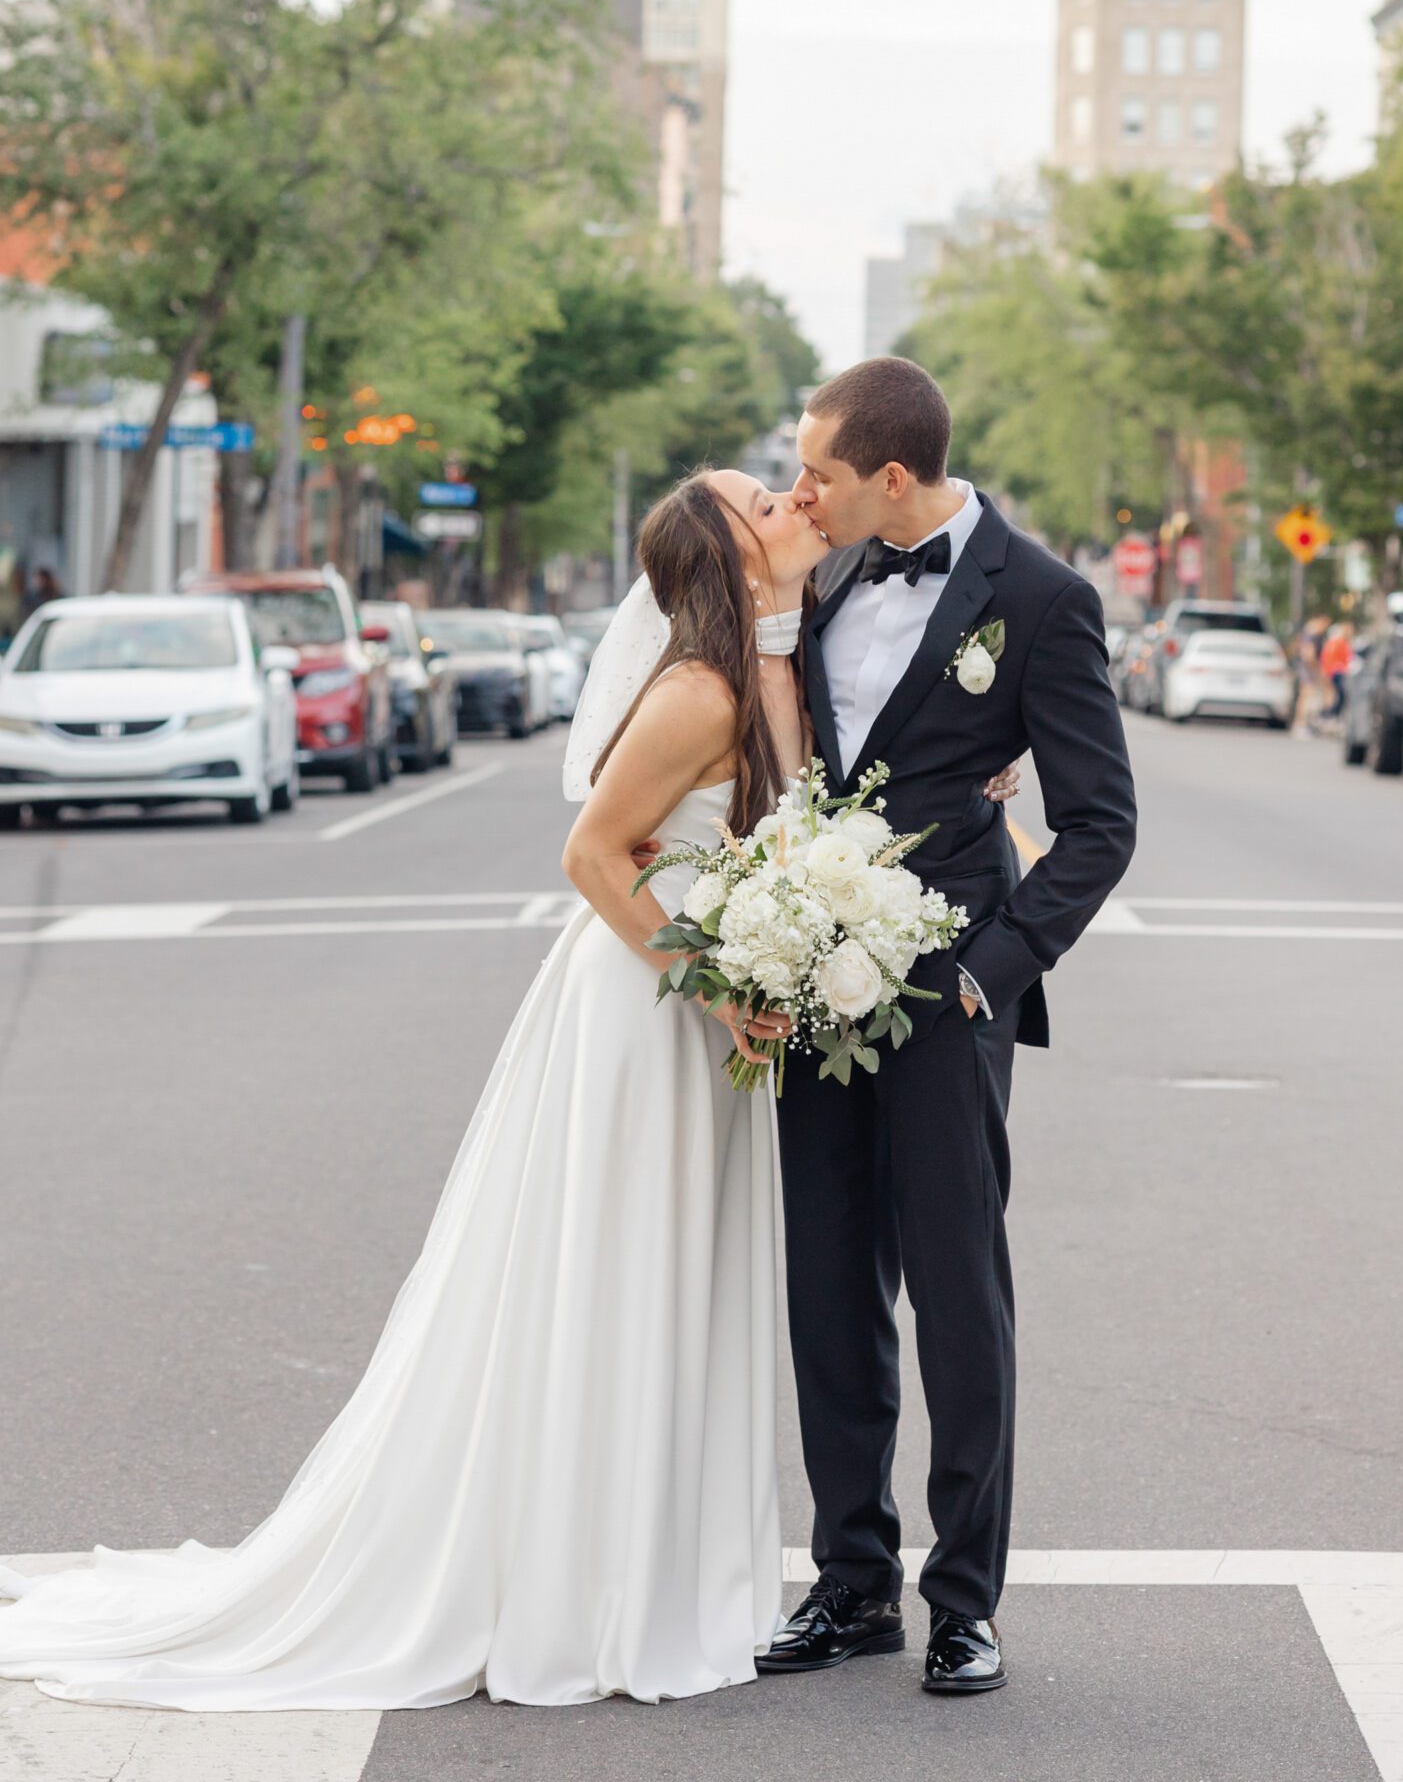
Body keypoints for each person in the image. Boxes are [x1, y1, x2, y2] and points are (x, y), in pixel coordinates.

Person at [0, 462, 1019, 1713]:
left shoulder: (790, 655)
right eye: (765, 502)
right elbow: (593, 848)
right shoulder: (699, 688)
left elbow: (852, 780)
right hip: (644, 1014)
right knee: (606, 1278)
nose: (793, 503)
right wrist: (714, 982)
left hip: (719, 1020)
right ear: (728, 560)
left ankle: (650, 1562)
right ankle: (571, 1581)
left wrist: (985, 774)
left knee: (678, 1284)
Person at [757, 357, 1137, 1698]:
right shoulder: (829, 581)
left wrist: (995, 968)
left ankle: (963, 1600)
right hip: (814, 980)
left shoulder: (1037, 602)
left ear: (894, 478)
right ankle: (848, 1582)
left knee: (956, 1295)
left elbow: (1099, 824)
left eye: (821, 471)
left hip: (948, 983)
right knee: (828, 1286)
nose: (801, 490)